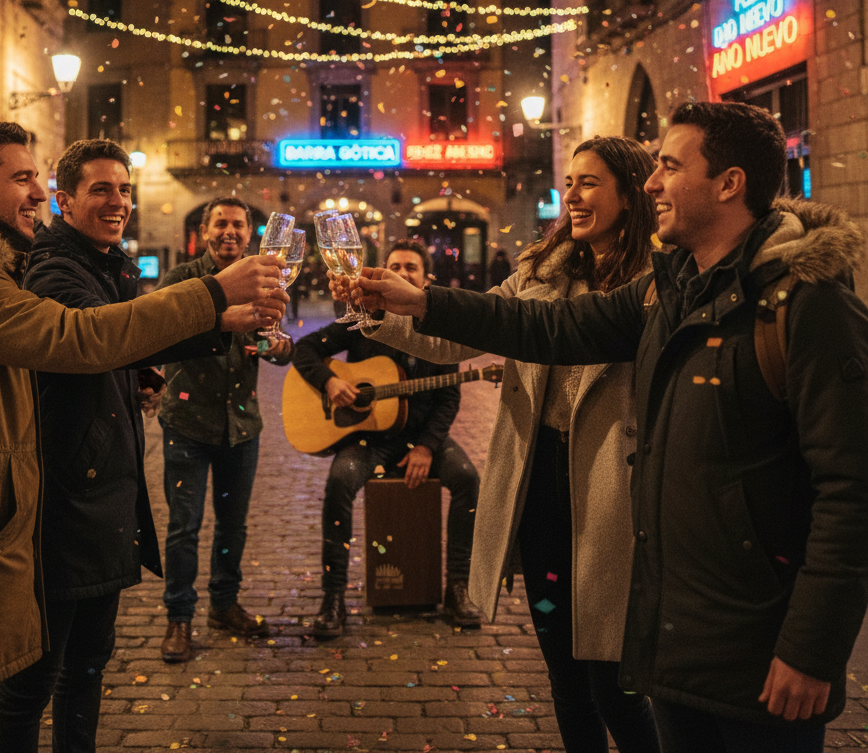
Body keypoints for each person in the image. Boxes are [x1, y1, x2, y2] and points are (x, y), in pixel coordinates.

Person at [355, 102, 868, 753]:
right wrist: (421, 301)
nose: (653, 183)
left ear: (729, 184)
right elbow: (545, 327)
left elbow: (851, 492)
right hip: (676, 631)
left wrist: (812, 649)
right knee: (589, 695)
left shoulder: (807, 306)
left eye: (670, 166)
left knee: (619, 703)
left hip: (756, 640)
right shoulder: (670, 290)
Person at [0, 121, 286, 753]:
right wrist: (213, 293)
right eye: (23, 179)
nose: (37, 193)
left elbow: (54, 360)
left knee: (2, 700)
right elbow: (77, 337)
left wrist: (149, 364)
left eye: (38, 179)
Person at [355, 138, 661, 753]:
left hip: (611, 490)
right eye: (569, 183)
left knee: (614, 681)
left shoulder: (656, 283)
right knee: (565, 677)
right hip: (541, 485)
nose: (572, 196)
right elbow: (458, 337)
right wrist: (384, 313)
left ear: (630, 194)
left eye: (589, 183)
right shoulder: (541, 272)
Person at [0, 141, 269, 751]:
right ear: (64, 200)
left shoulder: (106, 264)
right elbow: (93, 337)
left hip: (100, 492)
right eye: (100, 189)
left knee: (88, 664)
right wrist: (216, 303)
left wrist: (134, 373)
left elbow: (116, 344)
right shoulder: (53, 266)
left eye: (123, 189)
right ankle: (181, 615)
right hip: (64, 498)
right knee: (34, 678)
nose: (117, 201)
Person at [294, 239, 482, 638]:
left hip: (423, 435)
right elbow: (305, 349)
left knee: (467, 479)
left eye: (411, 267)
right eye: (394, 266)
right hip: (370, 438)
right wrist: (329, 382)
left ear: (426, 280)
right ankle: (333, 597)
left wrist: (427, 447)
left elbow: (449, 397)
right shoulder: (364, 320)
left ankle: (458, 587)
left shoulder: (439, 330)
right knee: (340, 482)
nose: (402, 272)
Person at [157, 197, 294, 663]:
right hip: (187, 423)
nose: (229, 231)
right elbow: (162, 333)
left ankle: (223, 604)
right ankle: (179, 617)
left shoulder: (263, 282)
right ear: (205, 230)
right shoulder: (182, 280)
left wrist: (278, 346)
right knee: (184, 526)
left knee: (233, 525)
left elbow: (274, 346)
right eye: (221, 223)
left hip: (242, 425)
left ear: (250, 234)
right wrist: (221, 321)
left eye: (238, 224)